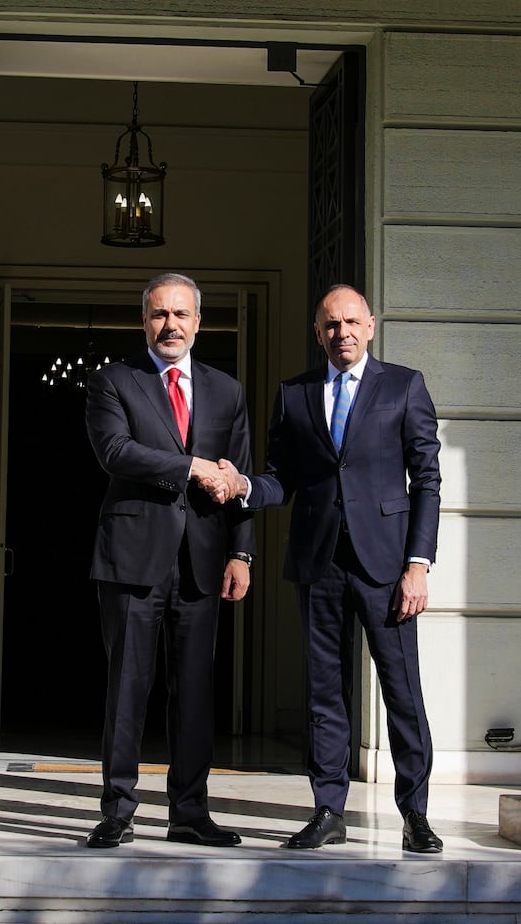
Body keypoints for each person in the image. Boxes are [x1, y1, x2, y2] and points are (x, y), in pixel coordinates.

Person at [219, 284, 444, 853]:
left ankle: (415, 814)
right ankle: (328, 810)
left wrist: (417, 565)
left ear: (370, 326)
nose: (341, 332)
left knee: (402, 690)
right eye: (329, 325)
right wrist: (244, 485)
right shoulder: (294, 394)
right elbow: (279, 477)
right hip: (318, 564)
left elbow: (428, 480)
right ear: (317, 333)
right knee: (324, 691)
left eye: (350, 322)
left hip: (387, 568)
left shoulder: (404, 385)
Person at [81, 272, 254, 849]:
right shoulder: (114, 381)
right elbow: (115, 452)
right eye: (159, 314)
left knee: (195, 691)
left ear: (200, 322)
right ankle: (118, 811)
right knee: (127, 685)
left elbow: (240, 478)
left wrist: (241, 551)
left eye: (181, 314)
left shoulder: (226, 390)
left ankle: (190, 812)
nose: (170, 325)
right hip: (134, 558)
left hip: (203, 560)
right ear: (144, 321)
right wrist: (189, 467)